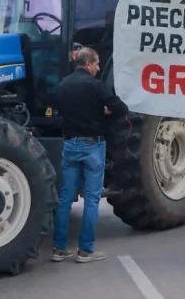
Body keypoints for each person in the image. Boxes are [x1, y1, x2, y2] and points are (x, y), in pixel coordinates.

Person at [51, 47, 128, 263]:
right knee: (92, 199)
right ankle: (85, 250)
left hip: (70, 146)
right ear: (88, 64)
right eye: (96, 64)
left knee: (65, 199)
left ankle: (59, 248)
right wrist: (105, 111)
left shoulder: (63, 85)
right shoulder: (96, 86)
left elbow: (62, 111)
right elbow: (120, 108)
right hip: (93, 146)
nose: (98, 67)